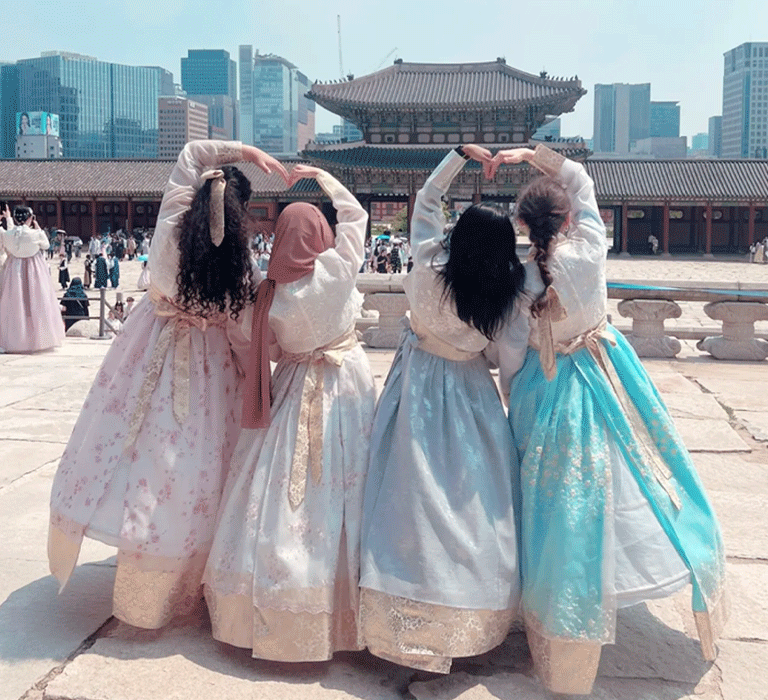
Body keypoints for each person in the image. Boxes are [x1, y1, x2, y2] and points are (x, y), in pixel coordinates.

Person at [488, 144, 727, 695]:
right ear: (569, 217)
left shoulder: (521, 280)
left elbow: (512, 351)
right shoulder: (592, 248)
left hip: (545, 389)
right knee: (635, 472)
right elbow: (583, 181)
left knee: (556, 501)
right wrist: (533, 155)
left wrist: (512, 392)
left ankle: (555, 607)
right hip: (607, 371)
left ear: (524, 225)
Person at [48, 140, 288, 630]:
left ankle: (142, 560)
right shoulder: (241, 270)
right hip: (210, 369)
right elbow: (248, 332)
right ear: (240, 219)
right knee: (197, 466)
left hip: (148, 352)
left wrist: (243, 152)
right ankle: (183, 572)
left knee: (142, 456)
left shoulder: (168, 231)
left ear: (195, 198)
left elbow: (191, 153)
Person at [359, 145, 526, 672]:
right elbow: (504, 358)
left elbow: (428, 198)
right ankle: (470, 612)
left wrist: (459, 157)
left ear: (459, 237)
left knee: (406, 495)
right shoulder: (504, 293)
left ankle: (403, 611)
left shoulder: (430, 265)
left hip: (417, 386)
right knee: (473, 502)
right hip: (472, 393)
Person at [203, 164, 376, 662]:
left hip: (295, 384)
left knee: (280, 490)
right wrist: (323, 179)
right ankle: (347, 605)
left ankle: (270, 609)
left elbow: (268, 350)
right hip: (346, 383)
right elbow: (356, 215)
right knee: (347, 481)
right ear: (319, 234)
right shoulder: (337, 270)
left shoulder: (268, 297)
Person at [0, 205, 66, 353]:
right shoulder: (36, 234)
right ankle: (40, 338)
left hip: (13, 268)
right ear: (30, 218)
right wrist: (38, 229)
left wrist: (8, 218)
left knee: (15, 303)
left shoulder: (6, 234)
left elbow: (10, 235)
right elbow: (46, 244)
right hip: (34, 268)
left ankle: (14, 339)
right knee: (38, 301)